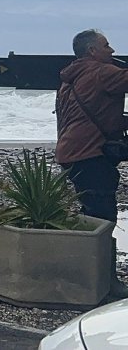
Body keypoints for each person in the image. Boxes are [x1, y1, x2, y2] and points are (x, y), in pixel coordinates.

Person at [56, 29, 128, 298]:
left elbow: (92, 116)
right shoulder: (100, 72)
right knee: (103, 217)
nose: (113, 51)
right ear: (92, 52)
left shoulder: (71, 77)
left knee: (91, 213)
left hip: (71, 151)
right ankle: (106, 285)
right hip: (89, 153)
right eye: (107, 46)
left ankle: (87, 279)